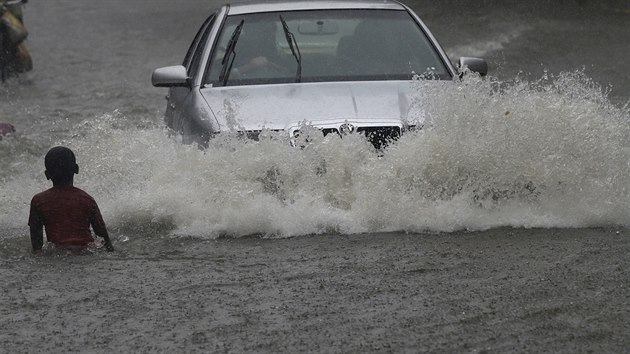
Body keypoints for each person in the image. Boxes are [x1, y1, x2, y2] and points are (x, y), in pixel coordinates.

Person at [28, 146, 114, 254]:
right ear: (76, 169)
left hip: (58, 254)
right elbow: (106, 242)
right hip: (86, 254)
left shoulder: (39, 201)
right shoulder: (87, 199)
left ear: (47, 174)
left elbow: (36, 247)